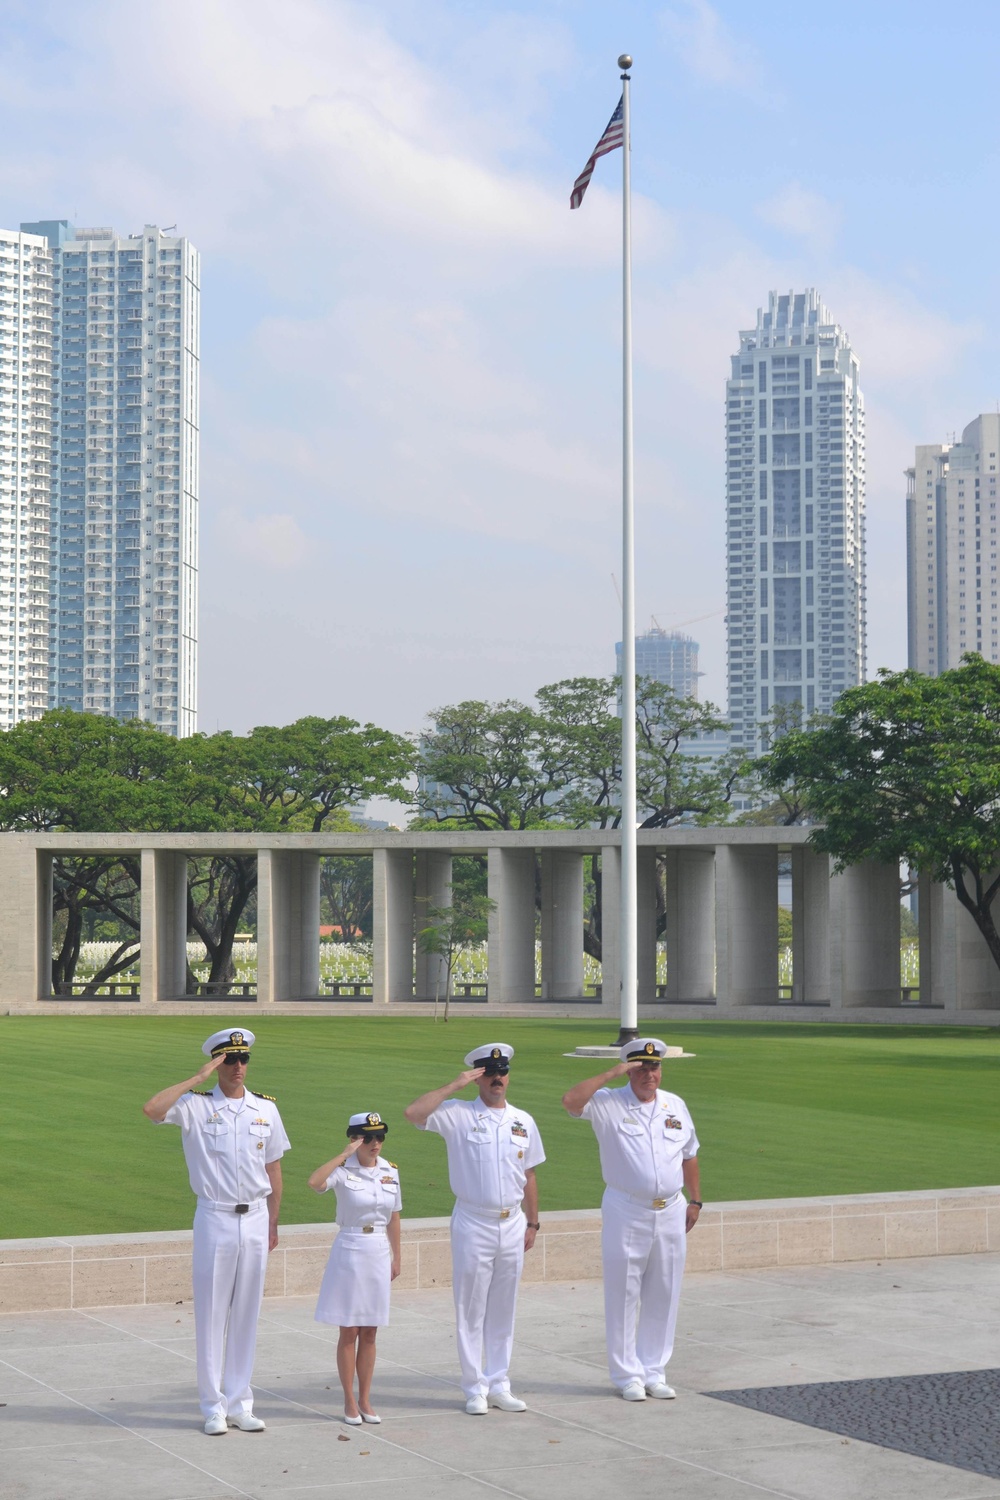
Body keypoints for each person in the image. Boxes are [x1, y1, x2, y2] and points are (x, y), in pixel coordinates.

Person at [142, 1027, 290, 1435]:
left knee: (247, 1312)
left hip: (257, 1217)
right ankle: (212, 1406)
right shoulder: (195, 1105)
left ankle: (241, 1402)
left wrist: (274, 1220)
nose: (238, 1066)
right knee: (211, 1313)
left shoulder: (266, 1110)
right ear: (216, 1062)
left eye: (243, 1059)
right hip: (216, 1216)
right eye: (229, 1059)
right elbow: (152, 1109)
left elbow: (274, 1167)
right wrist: (197, 1078)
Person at [403, 1042, 544, 1415]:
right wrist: (455, 1084)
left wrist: (533, 1221)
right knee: (470, 1308)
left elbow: (528, 1174)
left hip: (512, 1222)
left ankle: (499, 1383)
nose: (498, 1078)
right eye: (489, 1073)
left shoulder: (523, 1121)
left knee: (504, 1306)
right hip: (473, 1221)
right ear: (479, 1076)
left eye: (502, 1072)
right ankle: (474, 1387)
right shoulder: (458, 1114)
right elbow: (413, 1113)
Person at [561, 1037, 701, 1403]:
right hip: (627, 1208)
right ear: (629, 1070)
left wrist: (696, 1199)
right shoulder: (608, 1103)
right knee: (624, 1291)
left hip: (671, 1208)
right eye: (640, 1068)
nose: (648, 1075)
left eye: (654, 1067)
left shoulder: (675, 1105)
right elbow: (570, 1102)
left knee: (664, 1290)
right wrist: (611, 1073)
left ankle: (654, 1371)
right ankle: (627, 1376)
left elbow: (689, 1154)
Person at [308, 1111, 402, 1426]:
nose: (376, 1143)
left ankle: (365, 1398)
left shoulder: (390, 1171)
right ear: (355, 1139)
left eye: (379, 1137)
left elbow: (395, 1216)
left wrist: (396, 1255)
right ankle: (348, 1400)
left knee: (371, 1330)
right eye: (368, 1137)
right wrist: (344, 1155)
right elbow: (314, 1182)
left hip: (377, 1250)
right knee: (349, 1329)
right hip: (349, 1250)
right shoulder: (342, 1171)